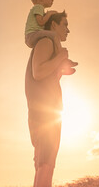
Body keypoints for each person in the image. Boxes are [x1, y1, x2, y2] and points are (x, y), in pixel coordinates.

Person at [25, 11, 77, 187]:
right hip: (45, 114)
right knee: (45, 164)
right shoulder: (46, 41)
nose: (68, 30)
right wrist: (61, 57)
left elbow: (45, 77)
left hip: (48, 113)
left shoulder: (50, 46)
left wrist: (61, 69)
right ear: (53, 25)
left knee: (45, 164)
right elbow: (38, 72)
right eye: (65, 24)